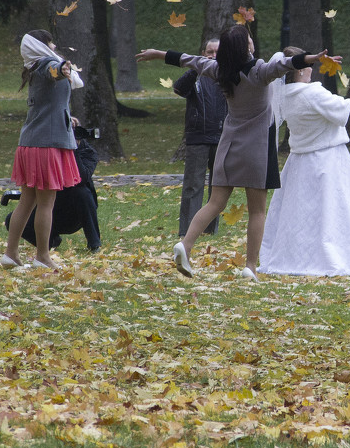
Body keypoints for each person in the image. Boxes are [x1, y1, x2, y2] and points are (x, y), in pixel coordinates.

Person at [136, 25, 338, 281]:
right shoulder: (259, 72)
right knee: (257, 211)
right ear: (247, 47)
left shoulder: (219, 70)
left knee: (214, 203)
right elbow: (288, 63)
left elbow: (188, 60)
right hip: (256, 149)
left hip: (228, 146)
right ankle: (250, 267)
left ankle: (185, 245)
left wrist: (157, 53)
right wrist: (314, 58)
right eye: (249, 38)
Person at [258, 47, 350, 276]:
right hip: (326, 160)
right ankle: (333, 255)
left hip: (298, 161)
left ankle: (298, 256)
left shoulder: (283, 96)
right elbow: (348, 107)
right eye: (308, 66)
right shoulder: (312, 94)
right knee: (332, 212)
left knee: (302, 215)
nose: (312, 70)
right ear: (300, 70)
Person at [2, 30, 84, 270]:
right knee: (46, 203)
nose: (55, 45)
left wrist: (66, 117)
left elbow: (50, 100)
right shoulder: (48, 64)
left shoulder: (35, 66)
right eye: (50, 42)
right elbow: (54, 72)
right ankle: (42, 256)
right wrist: (62, 69)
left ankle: (11, 254)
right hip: (46, 145)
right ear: (42, 45)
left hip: (31, 142)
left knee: (27, 201)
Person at [3, 125, 102, 253]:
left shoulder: (87, 152)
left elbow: (81, 179)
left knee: (82, 192)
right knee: (10, 220)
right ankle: (49, 242)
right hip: (47, 208)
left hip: (74, 213)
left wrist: (72, 150)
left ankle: (94, 243)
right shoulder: (48, 152)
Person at [172, 39, 227, 237]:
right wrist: (196, 68)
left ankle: (210, 228)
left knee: (217, 186)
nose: (213, 55)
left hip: (222, 137)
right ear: (203, 53)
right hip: (198, 137)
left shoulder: (227, 75)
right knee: (193, 185)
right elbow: (178, 88)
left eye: (217, 52)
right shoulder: (195, 74)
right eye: (209, 52)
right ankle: (187, 230)